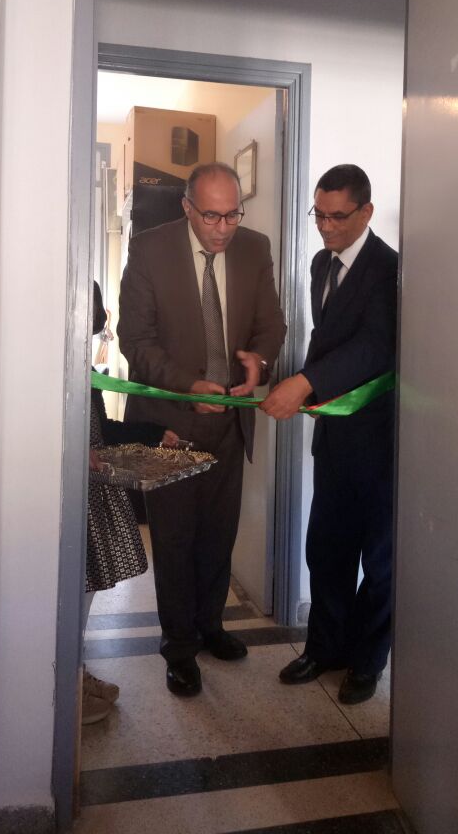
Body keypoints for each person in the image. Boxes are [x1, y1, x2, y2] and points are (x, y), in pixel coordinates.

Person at [118, 163, 286, 697]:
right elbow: (135, 340)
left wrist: (260, 360)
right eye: (211, 215)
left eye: (233, 214)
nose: (223, 227)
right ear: (187, 207)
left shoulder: (255, 248)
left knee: (218, 534)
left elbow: (271, 324)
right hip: (171, 423)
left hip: (230, 421)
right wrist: (187, 385)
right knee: (174, 539)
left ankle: (211, 626)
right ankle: (179, 647)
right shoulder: (150, 249)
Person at [261, 164, 397, 705]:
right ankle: (325, 648)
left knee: (380, 562)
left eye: (338, 217)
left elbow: (375, 347)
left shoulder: (390, 269)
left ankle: (367, 661)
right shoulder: (321, 263)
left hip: (380, 441)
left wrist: (308, 382)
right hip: (334, 437)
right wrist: (309, 388)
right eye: (318, 214)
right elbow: (328, 339)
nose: (325, 227)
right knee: (327, 550)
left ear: (366, 212)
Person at [83, 281, 178, 723]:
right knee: (69, 589)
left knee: (86, 586)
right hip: (64, 494)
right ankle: (64, 682)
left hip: (92, 492)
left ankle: (73, 670)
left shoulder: (84, 370)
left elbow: (103, 431)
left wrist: (154, 434)